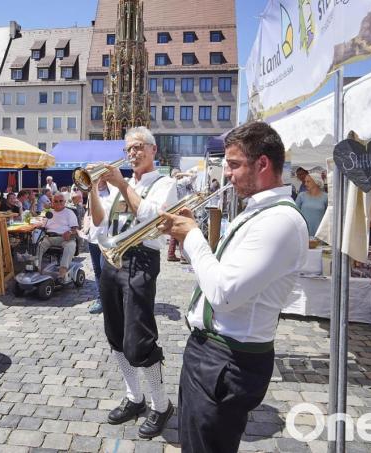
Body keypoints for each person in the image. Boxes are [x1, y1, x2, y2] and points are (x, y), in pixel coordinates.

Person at [158, 121, 308, 453]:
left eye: (235, 164)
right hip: (213, 353)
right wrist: (187, 240)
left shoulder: (279, 220)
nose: (228, 173)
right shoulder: (259, 211)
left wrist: (192, 235)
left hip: (227, 359)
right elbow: (220, 274)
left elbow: (224, 294)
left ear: (264, 164)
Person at [89, 126, 177, 439]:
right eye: (129, 148)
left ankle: (161, 404)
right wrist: (91, 191)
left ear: (154, 150)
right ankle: (134, 397)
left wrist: (122, 184)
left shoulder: (165, 183)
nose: (132, 153)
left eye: (139, 147)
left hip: (141, 262)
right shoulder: (119, 186)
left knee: (139, 338)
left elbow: (154, 220)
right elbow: (100, 224)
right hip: (112, 260)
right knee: (115, 334)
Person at [35, 192, 79, 283]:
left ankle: (62, 273)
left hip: (64, 238)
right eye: (56, 201)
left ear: (64, 202)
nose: (58, 203)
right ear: (52, 201)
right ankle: (36, 269)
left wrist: (70, 232)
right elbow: (43, 226)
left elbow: (76, 229)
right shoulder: (49, 213)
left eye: (60, 201)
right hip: (49, 238)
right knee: (38, 245)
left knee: (70, 246)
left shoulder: (69, 213)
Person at [85, 180, 111, 314]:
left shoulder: (113, 191)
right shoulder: (91, 192)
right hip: (93, 237)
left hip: (107, 238)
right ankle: (101, 299)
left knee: (106, 271)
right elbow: (88, 213)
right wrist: (85, 227)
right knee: (97, 271)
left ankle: (110, 300)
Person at [295, 172, 328, 237]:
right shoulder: (301, 196)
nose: (305, 184)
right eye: (305, 181)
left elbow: (328, 217)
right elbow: (295, 213)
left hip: (319, 235)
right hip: (303, 233)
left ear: (316, 182)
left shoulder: (326, 197)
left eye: (308, 181)